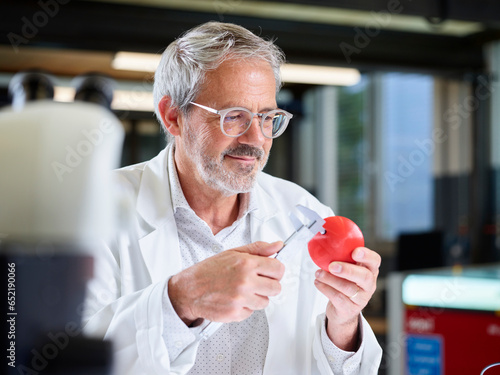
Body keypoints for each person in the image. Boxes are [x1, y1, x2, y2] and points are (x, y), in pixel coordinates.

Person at [83, 21, 383, 375]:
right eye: (233, 117)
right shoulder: (92, 209)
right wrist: (182, 297)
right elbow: (61, 354)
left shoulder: (304, 214)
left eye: (268, 117)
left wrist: (345, 321)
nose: (256, 139)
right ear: (173, 116)